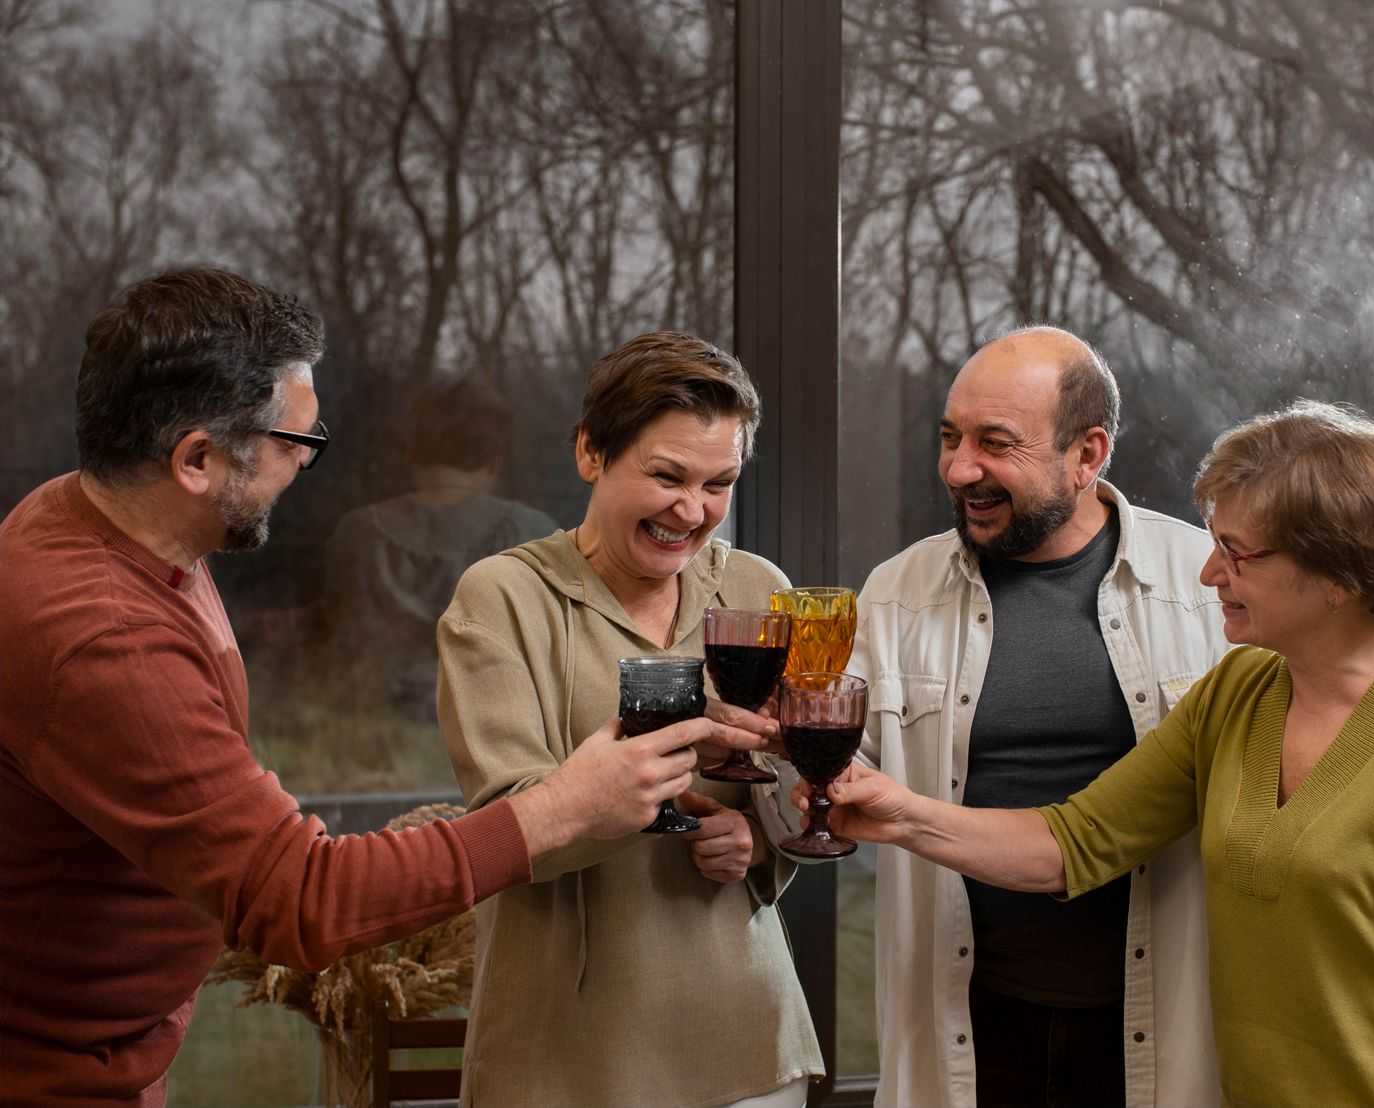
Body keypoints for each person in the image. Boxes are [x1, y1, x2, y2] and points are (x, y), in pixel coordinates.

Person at [0, 270, 767, 1106]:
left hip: (114, 1052)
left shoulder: (96, 520)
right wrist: (565, 807)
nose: (304, 466)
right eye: (296, 444)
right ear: (195, 459)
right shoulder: (103, 633)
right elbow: (300, 898)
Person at [811, 400, 1374, 1108]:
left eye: (1236, 553)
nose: (1208, 573)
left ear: (1337, 573)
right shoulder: (1238, 694)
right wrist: (901, 816)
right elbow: (1076, 841)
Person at [835, 325, 1231, 1108]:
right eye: (950, 438)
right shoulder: (894, 592)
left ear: (1088, 456)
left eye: (995, 442)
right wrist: (775, 774)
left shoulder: (1208, 585)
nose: (959, 468)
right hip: (969, 1029)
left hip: (1160, 1031)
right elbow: (819, 803)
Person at [436, 331, 824, 1107]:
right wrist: (634, 785)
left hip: (748, 1037)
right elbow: (507, 829)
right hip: (564, 1052)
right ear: (591, 453)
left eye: (720, 483)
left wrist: (759, 840)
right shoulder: (503, 598)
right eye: (666, 475)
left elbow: (806, 785)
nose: (694, 510)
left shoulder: (757, 587)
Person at [321, 376, 554, 723]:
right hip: (495, 740)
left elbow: (335, 646)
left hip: (369, 741)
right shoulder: (534, 533)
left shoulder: (357, 534)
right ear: (495, 459)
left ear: (411, 451)